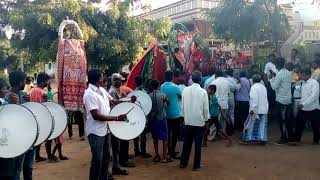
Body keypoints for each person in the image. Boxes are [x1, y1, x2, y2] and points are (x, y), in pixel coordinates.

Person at [83, 69, 128, 180]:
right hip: (95, 132)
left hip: (105, 130)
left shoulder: (102, 90)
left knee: (106, 158)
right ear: (99, 79)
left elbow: (113, 101)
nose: (104, 80)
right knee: (97, 160)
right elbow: (96, 116)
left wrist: (128, 100)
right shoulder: (89, 94)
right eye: (103, 77)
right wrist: (117, 118)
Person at [6, 71, 34, 180]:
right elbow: (9, 118)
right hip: (17, 139)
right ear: (19, 82)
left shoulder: (23, 95)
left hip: (28, 136)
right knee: (17, 169)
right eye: (24, 81)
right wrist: (16, 105)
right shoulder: (8, 97)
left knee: (29, 167)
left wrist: (29, 103)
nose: (25, 83)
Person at [180, 71, 210, 171]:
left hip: (188, 120)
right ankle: (196, 165)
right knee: (198, 144)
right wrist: (206, 120)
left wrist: (184, 117)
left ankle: (183, 163)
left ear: (192, 79)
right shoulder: (203, 92)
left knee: (186, 143)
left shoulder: (185, 90)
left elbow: (182, 106)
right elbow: (206, 109)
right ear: (200, 79)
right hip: (199, 121)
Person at [109, 73, 135, 171]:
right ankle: (123, 160)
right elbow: (116, 102)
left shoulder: (117, 89)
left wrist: (129, 98)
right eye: (119, 80)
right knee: (122, 139)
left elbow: (123, 97)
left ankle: (123, 156)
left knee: (123, 139)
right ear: (115, 81)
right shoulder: (112, 92)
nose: (121, 82)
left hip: (120, 117)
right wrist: (128, 101)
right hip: (116, 118)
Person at [30, 73, 58, 163]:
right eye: (46, 81)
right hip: (43, 116)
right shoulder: (41, 92)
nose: (48, 83)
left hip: (36, 116)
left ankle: (37, 156)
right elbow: (45, 104)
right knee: (48, 136)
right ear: (42, 81)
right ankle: (49, 156)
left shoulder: (33, 90)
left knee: (39, 137)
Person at [293, 68, 320, 145]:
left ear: (308, 75)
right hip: (303, 108)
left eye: (303, 75)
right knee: (299, 124)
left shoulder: (314, 83)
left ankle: (316, 140)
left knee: (315, 126)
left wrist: (304, 103)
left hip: (313, 108)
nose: (301, 76)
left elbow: (314, 96)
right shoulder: (303, 82)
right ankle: (296, 139)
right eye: (301, 74)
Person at [270, 59, 294, 144]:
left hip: (281, 100)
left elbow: (274, 87)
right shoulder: (289, 73)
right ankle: (290, 137)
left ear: (276, 65)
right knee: (288, 119)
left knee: (282, 120)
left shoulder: (280, 74)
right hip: (288, 99)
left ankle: (284, 138)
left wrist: (271, 79)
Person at [160, 70, 183, 159]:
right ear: (172, 77)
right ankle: (172, 152)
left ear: (165, 77)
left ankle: (169, 150)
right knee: (175, 133)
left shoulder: (162, 86)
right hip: (175, 113)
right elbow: (181, 96)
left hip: (166, 113)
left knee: (168, 133)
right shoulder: (176, 87)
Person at [148, 80, 172, 163]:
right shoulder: (163, 95)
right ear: (158, 86)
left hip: (152, 119)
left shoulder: (148, 96)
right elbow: (167, 105)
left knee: (155, 137)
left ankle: (157, 155)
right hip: (162, 118)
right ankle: (165, 157)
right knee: (165, 137)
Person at [242, 75, 269, 144]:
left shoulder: (253, 87)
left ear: (252, 80)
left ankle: (248, 139)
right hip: (264, 109)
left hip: (256, 110)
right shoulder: (263, 87)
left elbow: (254, 99)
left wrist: (252, 109)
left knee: (250, 124)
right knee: (262, 125)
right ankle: (263, 139)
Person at [0, 78, 17, 180]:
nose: (6, 91)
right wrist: (11, 106)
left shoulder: (5, 102)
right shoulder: (4, 104)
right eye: (4, 89)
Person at [133, 75, 152, 158]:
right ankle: (143, 152)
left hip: (136, 115)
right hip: (143, 115)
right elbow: (148, 104)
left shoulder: (133, 92)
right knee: (143, 135)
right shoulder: (145, 92)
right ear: (142, 82)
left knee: (136, 133)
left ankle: (136, 150)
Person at [225, 68, 240, 135]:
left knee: (225, 114)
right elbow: (236, 88)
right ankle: (232, 128)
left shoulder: (223, 79)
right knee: (231, 113)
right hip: (231, 96)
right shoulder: (232, 79)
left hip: (225, 97)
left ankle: (226, 128)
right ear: (231, 73)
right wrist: (239, 83)